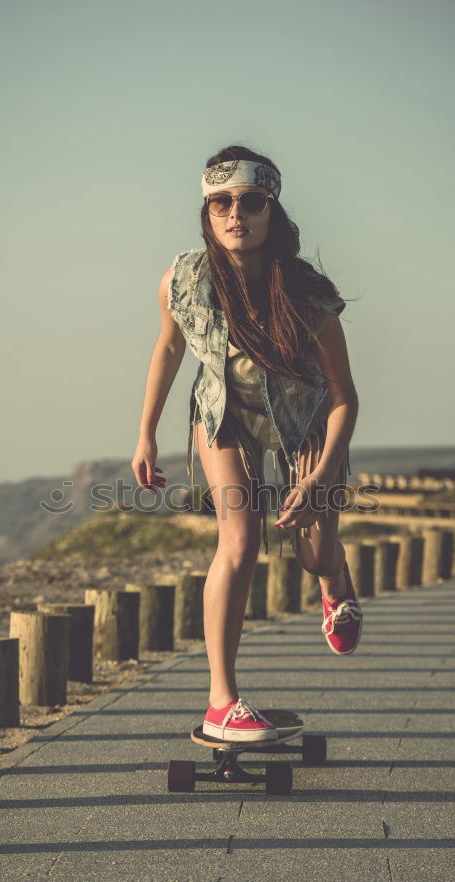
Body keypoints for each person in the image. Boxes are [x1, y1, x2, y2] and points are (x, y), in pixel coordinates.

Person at [132, 144, 362, 743]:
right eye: (221, 202)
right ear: (207, 211)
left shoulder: (308, 295)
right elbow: (169, 348)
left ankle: (332, 576)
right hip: (223, 414)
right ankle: (222, 701)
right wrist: (147, 433)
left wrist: (317, 476)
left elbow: (344, 396)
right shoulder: (182, 278)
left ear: (272, 211)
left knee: (310, 553)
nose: (237, 214)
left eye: (252, 202)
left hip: (305, 421)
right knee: (239, 541)